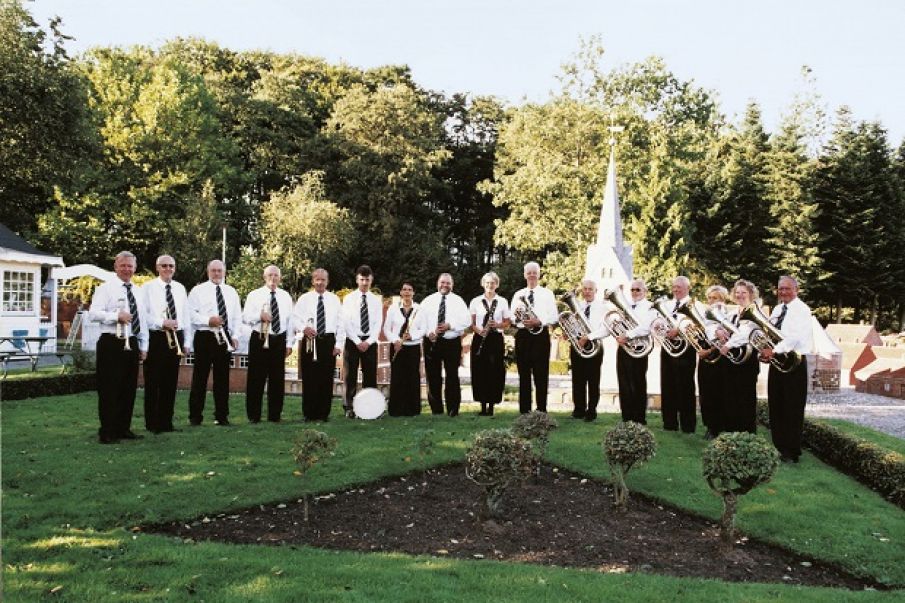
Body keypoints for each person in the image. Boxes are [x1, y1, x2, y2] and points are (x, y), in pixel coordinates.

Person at [88, 251, 148, 443]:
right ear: (115, 267)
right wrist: (116, 316)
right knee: (109, 388)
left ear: (135, 268)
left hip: (131, 340)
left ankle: (124, 428)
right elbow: (93, 313)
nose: (127, 269)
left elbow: (142, 320)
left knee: (128, 389)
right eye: (123, 265)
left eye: (130, 266)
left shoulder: (138, 291)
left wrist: (144, 345)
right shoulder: (105, 289)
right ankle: (107, 431)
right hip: (111, 342)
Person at [762, 276, 813, 463]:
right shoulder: (777, 309)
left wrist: (773, 351)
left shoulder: (802, 310)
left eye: (787, 289)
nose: (783, 292)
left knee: (792, 407)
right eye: (780, 288)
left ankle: (791, 452)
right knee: (776, 404)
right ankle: (778, 446)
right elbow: (769, 332)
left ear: (796, 290)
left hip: (794, 362)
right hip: (778, 361)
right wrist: (765, 351)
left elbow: (794, 338)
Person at [186, 260, 242, 426]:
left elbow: (237, 317)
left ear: (224, 272)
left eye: (219, 271)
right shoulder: (198, 290)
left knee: (222, 379)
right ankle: (195, 417)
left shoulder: (231, 292)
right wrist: (208, 320)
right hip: (205, 336)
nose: (217, 274)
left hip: (224, 338)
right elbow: (189, 314)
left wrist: (236, 336)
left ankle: (222, 416)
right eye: (213, 271)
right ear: (208, 271)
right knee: (200, 378)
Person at [140, 254, 186, 434]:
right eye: (164, 266)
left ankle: (167, 423)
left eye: (171, 266)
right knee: (153, 382)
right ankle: (152, 424)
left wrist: (187, 341)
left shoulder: (180, 288)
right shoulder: (148, 288)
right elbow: (142, 315)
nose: (168, 269)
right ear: (157, 268)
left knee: (170, 382)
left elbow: (185, 315)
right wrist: (162, 322)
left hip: (176, 337)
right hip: (157, 337)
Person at [242, 265, 294, 423]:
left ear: (280, 278)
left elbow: (290, 322)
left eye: (276, 275)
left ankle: (275, 416)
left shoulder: (286, 296)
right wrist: (260, 315)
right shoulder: (254, 294)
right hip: (260, 338)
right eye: (270, 275)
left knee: (277, 380)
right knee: (255, 378)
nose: (273, 278)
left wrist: (289, 343)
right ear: (264, 277)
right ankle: (253, 416)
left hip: (279, 339)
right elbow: (245, 317)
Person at [293, 268, 345, 421]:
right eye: (317, 279)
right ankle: (309, 413)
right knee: (309, 378)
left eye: (323, 279)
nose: (320, 282)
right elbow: (295, 318)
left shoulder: (334, 299)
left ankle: (323, 414)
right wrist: (304, 328)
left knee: (326, 378)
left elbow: (341, 323)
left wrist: (339, 345)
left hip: (328, 341)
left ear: (327, 281)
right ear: (313, 281)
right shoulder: (304, 299)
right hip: (309, 339)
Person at [420, 273, 470, 416]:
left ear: (452, 285)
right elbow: (419, 321)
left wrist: (451, 325)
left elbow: (467, 321)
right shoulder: (428, 301)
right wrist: (428, 332)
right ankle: (436, 409)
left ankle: (453, 409)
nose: (445, 285)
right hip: (432, 341)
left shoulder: (458, 301)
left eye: (448, 283)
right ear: (437, 283)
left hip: (452, 342)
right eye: (442, 282)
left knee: (452, 375)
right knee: (433, 375)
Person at [511, 262, 558, 414]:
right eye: (529, 272)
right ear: (525, 275)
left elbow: (554, 317)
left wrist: (539, 321)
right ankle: (524, 411)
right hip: (523, 335)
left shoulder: (547, 293)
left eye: (534, 272)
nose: (531, 275)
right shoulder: (518, 294)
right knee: (523, 375)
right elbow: (512, 317)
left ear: (539, 274)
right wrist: (520, 320)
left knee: (541, 374)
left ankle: (541, 410)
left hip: (540, 335)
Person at [717, 279, 760, 435]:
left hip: (747, 360)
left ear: (751, 294)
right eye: (737, 292)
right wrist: (718, 331)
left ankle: (747, 432)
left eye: (744, 292)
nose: (740, 295)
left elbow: (746, 333)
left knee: (745, 397)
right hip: (731, 359)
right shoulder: (733, 312)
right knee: (729, 395)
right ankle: (731, 431)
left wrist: (729, 344)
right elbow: (721, 325)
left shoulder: (755, 311)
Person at [341, 265, 382, 418]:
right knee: (349, 375)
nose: (365, 283)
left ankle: (369, 408)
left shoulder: (376, 300)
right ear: (357, 280)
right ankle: (349, 407)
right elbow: (346, 322)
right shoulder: (349, 299)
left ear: (371, 280)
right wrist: (358, 341)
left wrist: (368, 341)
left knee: (370, 376)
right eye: (362, 279)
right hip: (353, 340)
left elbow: (378, 323)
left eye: (367, 280)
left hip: (370, 342)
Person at [469, 272, 511, 416]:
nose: (490, 285)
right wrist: (479, 331)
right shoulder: (475, 301)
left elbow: (507, 323)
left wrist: (497, 324)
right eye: (487, 283)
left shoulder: (503, 301)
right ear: (483, 284)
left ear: (497, 285)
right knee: (480, 370)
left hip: (495, 339)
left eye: (493, 283)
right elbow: (472, 323)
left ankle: (492, 406)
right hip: (480, 338)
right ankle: (482, 405)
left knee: (494, 371)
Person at [659, 275, 698, 433]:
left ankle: (688, 425)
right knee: (667, 385)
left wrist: (679, 330)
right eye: (674, 287)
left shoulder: (695, 305)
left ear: (688, 288)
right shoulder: (667, 304)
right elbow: (658, 321)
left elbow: (696, 324)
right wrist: (660, 328)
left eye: (679, 287)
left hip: (685, 348)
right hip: (668, 347)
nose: (676, 290)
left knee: (685, 387)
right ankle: (669, 423)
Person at [567, 279, 610, 422]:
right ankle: (578, 410)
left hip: (594, 346)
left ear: (596, 291)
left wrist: (588, 336)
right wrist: (571, 335)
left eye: (590, 289)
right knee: (577, 380)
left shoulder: (603, 308)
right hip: (578, 345)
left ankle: (591, 411)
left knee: (593, 380)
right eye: (584, 289)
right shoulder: (577, 305)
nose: (587, 291)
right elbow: (571, 324)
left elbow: (606, 330)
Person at [614, 279, 654, 424]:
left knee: (638, 383)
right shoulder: (626, 307)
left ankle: (639, 418)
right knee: (623, 383)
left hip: (639, 348)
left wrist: (627, 335)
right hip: (624, 348)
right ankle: (626, 417)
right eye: (632, 290)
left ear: (645, 291)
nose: (635, 292)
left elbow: (647, 327)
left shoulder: (651, 307)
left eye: (638, 290)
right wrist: (618, 331)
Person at [383, 281, 426, 416]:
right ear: (401, 292)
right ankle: (396, 409)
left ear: (413, 293)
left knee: (412, 378)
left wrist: (412, 336)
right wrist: (395, 340)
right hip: (397, 347)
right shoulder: (393, 309)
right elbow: (386, 329)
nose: (407, 292)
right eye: (404, 290)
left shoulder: (419, 309)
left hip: (412, 347)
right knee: (397, 377)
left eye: (410, 290)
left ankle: (412, 409)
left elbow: (423, 329)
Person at [697, 285, 730, 439]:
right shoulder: (706, 314)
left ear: (722, 299)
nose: (711, 301)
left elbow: (722, 340)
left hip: (717, 358)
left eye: (715, 298)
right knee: (705, 392)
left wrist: (708, 351)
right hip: (704, 358)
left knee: (715, 393)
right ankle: (709, 426)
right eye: (709, 298)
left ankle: (715, 427)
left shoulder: (723, 314)